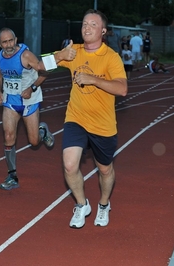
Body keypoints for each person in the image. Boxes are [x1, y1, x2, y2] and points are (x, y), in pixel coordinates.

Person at [38, 9, 128, 228]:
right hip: (76, 118)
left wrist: (94, 80)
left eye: (93, 25)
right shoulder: (73, 51)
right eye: (85, 24)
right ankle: (81, 204)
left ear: (103, 31)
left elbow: (122, 89)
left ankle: (104, 204)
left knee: (105, 169)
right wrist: (60, 56)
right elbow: (38, 65)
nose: (87, 28)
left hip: (102, 124)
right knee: (69, 166)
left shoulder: (111, 58)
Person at [0, 27, 55, 190]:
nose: (9, 45)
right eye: (5, 42)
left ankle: (42, 131)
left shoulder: (25, 55)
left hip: (30, 101)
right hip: (10, 102)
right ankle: (12, 175)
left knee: (34, 142)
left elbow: (44, 72)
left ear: (16, 39)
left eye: (11, 40)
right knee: (8, 136)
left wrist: (32, 88)